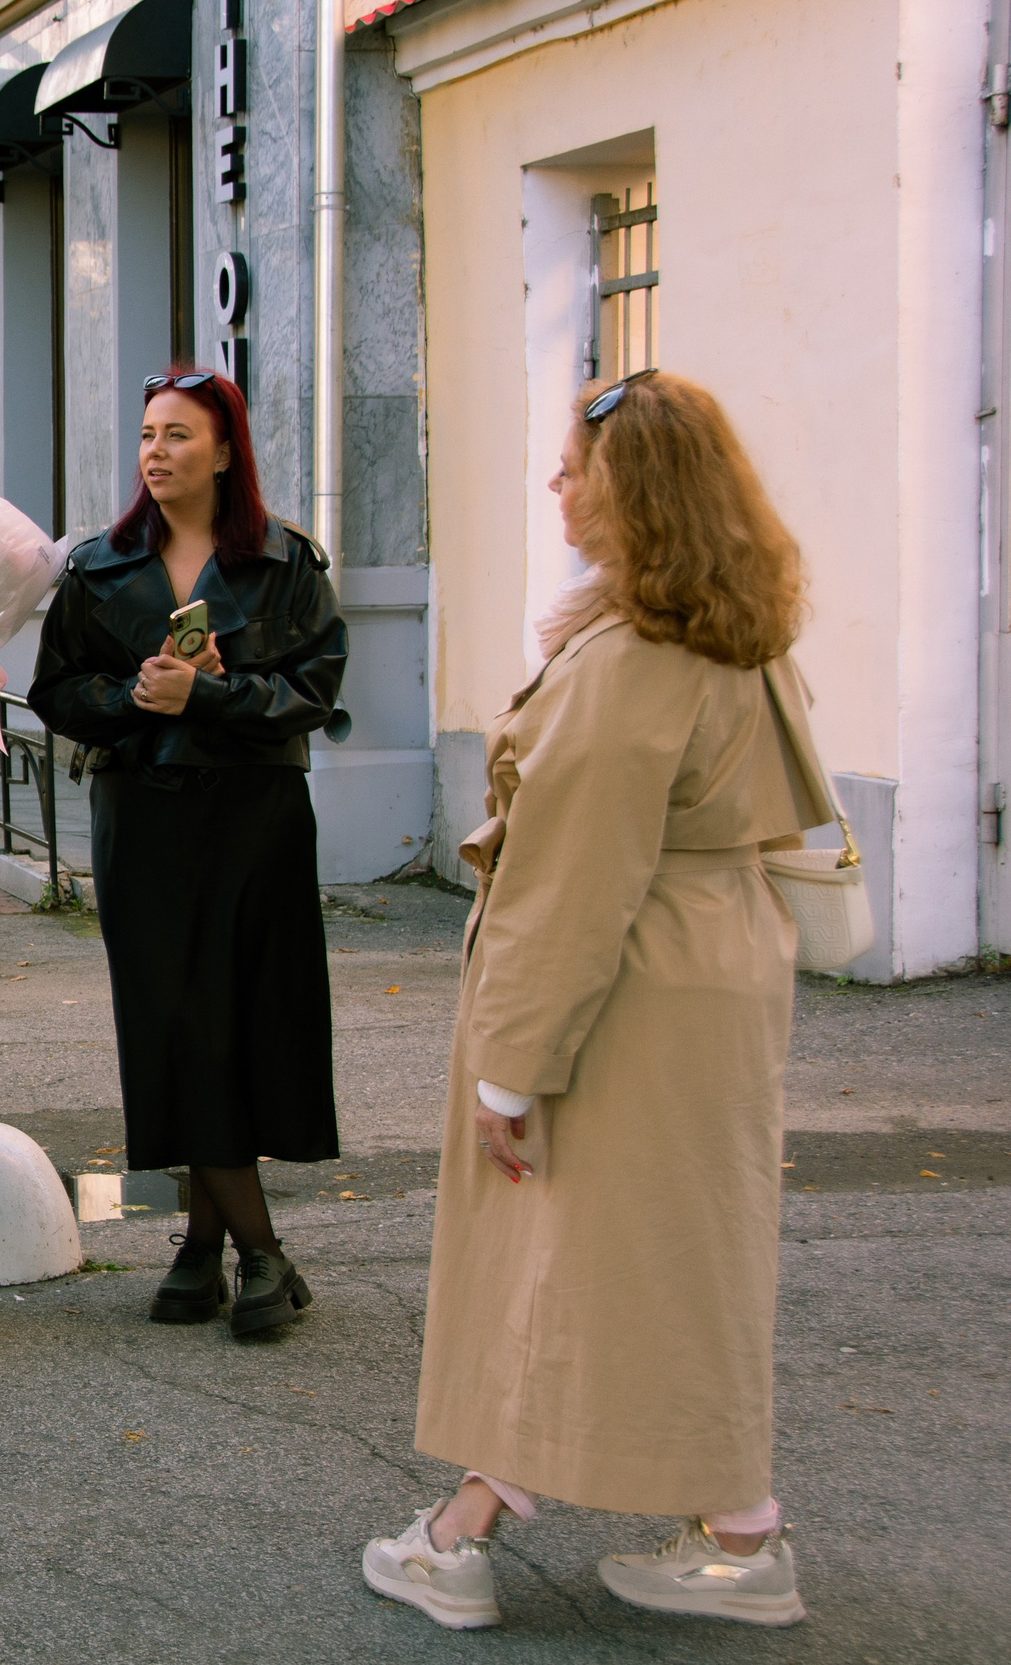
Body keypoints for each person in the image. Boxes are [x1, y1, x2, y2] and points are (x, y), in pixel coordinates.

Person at [360, 372, 824, 1631]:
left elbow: (568, 888)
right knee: (678, 1256)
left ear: (631, 490)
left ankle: (461, 1533)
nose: (555, 483)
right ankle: (739, 1535)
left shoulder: (628, 660)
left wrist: (509, 1069)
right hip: (707, 971)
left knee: (557, 1252)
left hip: (627, 990)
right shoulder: (735, 628)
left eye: (575, 466)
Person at [27, 370, 347, 1338]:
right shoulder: (98, 567)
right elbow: (54, 692)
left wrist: (209, 694)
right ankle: (260, 1251)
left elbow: (315, 690)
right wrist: (137, 695)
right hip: (146, 818)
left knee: (244, 1022)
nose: (155, 452)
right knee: (177, 1023)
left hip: (255, 818)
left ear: (223, 451)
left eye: (176, 435)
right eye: (146, 435)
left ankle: (206, 1249)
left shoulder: (285, 561)